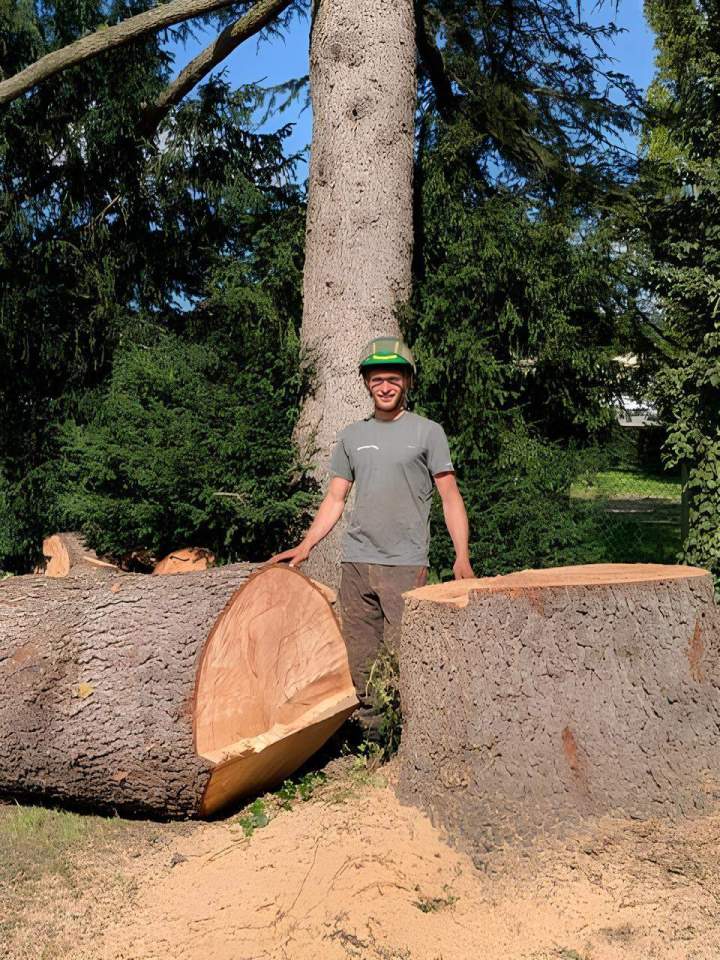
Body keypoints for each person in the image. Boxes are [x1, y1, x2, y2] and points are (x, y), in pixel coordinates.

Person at [270, 336, 474, 725]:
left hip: (405, 565)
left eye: (393, 379)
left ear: (408, 382)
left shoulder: (428, 432)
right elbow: (335, 499)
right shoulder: (352, 437)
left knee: (404, 658)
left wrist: (461, 555)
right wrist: (307, 545)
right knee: (361, 660)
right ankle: (372, 737)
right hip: (357, 564)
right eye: (377, 378)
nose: (385, 386)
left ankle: (410, 738)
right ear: (366, 382)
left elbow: (450, 497)